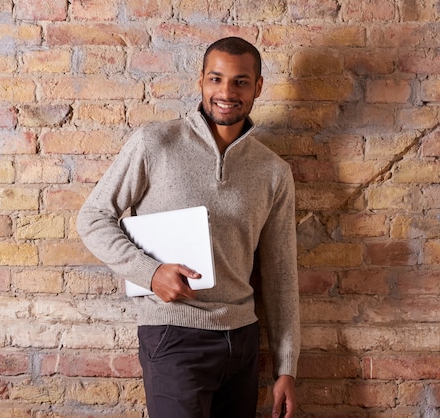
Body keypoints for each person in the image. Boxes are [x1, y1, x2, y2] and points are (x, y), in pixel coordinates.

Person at [77, 36, 300, 418]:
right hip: (173, 336)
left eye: (240, 81)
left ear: (258, 87)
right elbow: (93, 218)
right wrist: (151, 274)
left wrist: (286, 368)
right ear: (200, 82)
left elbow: (281, 274)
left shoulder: (274, 172)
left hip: (242, 340)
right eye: (215, 79)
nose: (226, 92)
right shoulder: (155, 143)